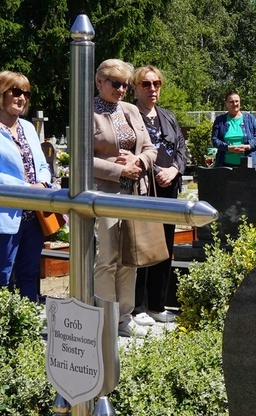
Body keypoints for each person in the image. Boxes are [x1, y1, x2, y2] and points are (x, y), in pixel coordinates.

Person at [0, 71, 53, 302]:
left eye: (26, 93)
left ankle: (27, 328)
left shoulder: (27, 127)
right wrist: (28, 187)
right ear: (0, 93)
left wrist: (43, 182)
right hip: (2, 215)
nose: (22, 98)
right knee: (2, 276)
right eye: (15, 92)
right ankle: (2, 331)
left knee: (29, 275)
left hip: (33, 216)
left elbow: (42, 164)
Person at [93, 59, 157, 338]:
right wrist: (120, 168)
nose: (121, 90)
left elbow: (150, 149)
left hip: (132, 194)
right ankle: (106, 317)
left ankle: (124, 318)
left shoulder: (131, 110)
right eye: (115, 84)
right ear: (100, 82)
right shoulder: (87, 112)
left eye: (125, 85)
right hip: (104, 195)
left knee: (128, 258)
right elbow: (83, 159)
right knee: (107, 258)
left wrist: (139, 161)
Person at [131, 65, 187, 325]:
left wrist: (175, 169)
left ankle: (156, 304)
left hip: (168, 189)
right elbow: (131, 151)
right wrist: (155, 170)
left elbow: (181, 148)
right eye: (146, 84)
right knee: (142, 246)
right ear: (135, 87)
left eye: (156, 84)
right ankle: (138, 307)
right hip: (143, 189)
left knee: (164, 246)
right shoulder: (129, 114)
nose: (152, 89)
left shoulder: (168, 116)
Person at [211, 91, 256, 168]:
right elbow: (214, 140)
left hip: (248, 165)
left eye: (237, 101)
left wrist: (248, 146)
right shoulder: (220, 120)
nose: (235, 104)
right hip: (225, 165)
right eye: (231, 102)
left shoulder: (250, 118)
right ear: (226, 104)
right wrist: (228, 148)